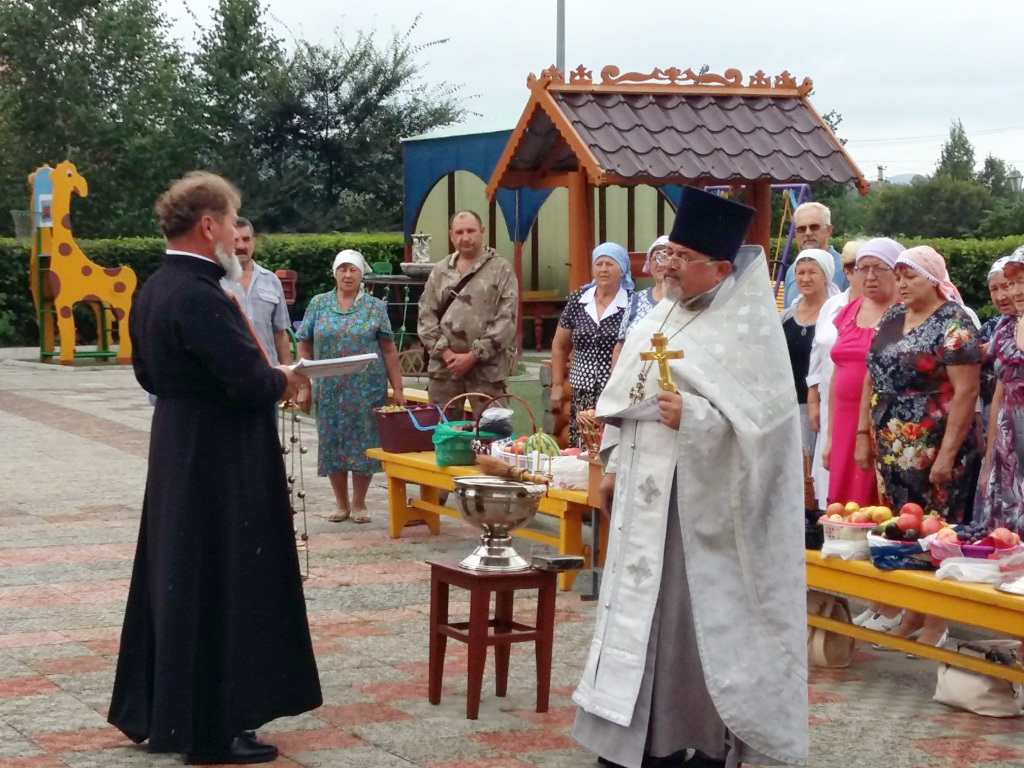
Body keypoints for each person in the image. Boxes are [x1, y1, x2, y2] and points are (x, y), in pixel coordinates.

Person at [572, 187, 807, 768]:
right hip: (641, 503)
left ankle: (693, 737)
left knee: (683, 631)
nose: (669, 265)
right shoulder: (661, 313)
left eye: (683, 257)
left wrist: (696, 417)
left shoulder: (749, 332)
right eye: (667, 253)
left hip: (700, 522)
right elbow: (621, 394)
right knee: (638, 619)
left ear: (721, 268)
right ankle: (631, 741)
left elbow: (769, 435)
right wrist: (609, 463)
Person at [108, 172, 321, 765]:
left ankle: (161, 712)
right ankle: (211, 727)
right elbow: (248, 379)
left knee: (175, 574)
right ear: (209, 226)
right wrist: (285, 377)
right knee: (222, 578)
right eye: (232, 220)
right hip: (221, 460)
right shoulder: (201, 294)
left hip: (179, 445)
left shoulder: (155, 288)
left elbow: (147, 373)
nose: (235, 232)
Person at [859, 246, 981, 650]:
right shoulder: (893, 317)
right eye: (900, 276)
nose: (903, 283)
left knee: (939, 533)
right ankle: (910, 610)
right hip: (892, 446)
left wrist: (946, 456)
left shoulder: (955, 324)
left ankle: (936, 620)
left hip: (936, 446)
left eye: (910, 276)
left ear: (932, 278)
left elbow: (966, 393)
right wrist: (865, 435)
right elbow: (871, 376)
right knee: (902, 530)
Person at [295, 250, 405, 523]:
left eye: (353, 269)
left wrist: (398, 389)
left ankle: (359, 503)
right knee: (332, 443)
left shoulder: (374, 307)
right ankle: (340, 503)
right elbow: (304, 343)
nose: (347, 274)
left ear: (361, 274)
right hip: (329, 389)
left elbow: (389, 350)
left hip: (366, 389)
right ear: (334, 272)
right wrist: (304, 385)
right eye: (342, 269)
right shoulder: (319, 304)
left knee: (364, 443)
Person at [823, 237, 903, 508]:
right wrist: (831, 436)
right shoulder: (849, 310)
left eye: (878, 268)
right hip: (844, 420)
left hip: (882, 421)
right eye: (862, 268)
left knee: (874, 502)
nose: (869, 276)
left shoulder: (905, 313)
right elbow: (837, 375)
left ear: (896, 272)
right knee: (843, 504)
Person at [417, 210, 518, 417]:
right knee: (444, 435)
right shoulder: (440, 271)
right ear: (451, 235)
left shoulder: (501, 269)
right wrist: (446, 353)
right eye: (459, 232)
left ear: (482, 232)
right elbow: (425, 317)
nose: (465, 237)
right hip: (445, 370)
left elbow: (506, 321)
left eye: (471, 231)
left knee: (492, 436)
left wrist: (473, 355)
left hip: (487, 371)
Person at [550, 242, 632, 450]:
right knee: (581, 447)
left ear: (622, 269)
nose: (603, 269)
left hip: (615, 392)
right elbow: (560, 345)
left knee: (610, 448)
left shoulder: (632, 302)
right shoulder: (579, 299)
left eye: (610, 264)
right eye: (599, 264)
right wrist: (557, 385)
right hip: (581, 393)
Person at [806, 240, 863, 509]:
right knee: (830, 464)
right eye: (848, 267)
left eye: (860, 266)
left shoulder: (887, 306)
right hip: (831, 402)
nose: (854, 272)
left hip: (863, 405)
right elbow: (817, 355)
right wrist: (814, 400)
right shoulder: (832, 306)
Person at [975, 251, 1024, 536]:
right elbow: (999, 394)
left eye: (1022, 282)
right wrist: (990, 458)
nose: (1015, 291)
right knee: (1006, 530)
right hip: (1009, 444)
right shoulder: (1005, 327)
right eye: (1012, 282)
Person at [780, 248, 839, 457]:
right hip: (787, 406)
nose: (805, 278)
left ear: (825, 276)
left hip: (820, 408)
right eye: (800, 272)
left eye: (812, 272)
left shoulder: (836, 315)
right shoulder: (785, 317)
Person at [220, 217, 293, 365]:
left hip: (268, 374)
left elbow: (280, 334)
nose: (241, 245)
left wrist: (288, 376)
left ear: (253, 242)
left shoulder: (271, 280)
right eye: (235, 240)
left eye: (246, 239)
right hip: (229, 377)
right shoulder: (215, 281)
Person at [611, 235, 669, 366]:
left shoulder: (687, 300)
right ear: (649, 264)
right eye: (655, 258)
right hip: (636, 379)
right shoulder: (636, 299)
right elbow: (620, 347)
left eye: (666, 257)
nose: (660, 264)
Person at [781, 202, 848, 308]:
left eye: (814, 227)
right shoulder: (792, 270)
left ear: (828, 230)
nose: (807, 233)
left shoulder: (846, 268)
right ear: (795, 234)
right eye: (801, 229)